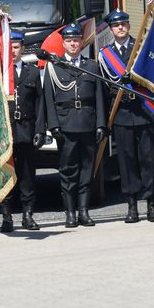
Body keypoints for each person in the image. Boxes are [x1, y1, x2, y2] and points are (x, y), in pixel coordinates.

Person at [98, 9, 154, 223]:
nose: (121, 28)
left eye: (124, 23)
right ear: (111, 29)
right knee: (127, 162)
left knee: (148, 160)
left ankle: (151, 205)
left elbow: (153, 77)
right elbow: (105, 89)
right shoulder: (105, 55)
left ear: (129, 26)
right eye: (116, 25)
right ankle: (132, 206)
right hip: (122, 115)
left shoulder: (141, 49)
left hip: (144, 112)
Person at [42, 24, 105, 228]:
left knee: (87, 170)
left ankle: (84, 212)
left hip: (88, 123)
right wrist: (54, 125)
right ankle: (70, 213)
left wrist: (101, 124)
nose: (73, 44)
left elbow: (99, 98)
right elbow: (48, 99)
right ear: (64, 43)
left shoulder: (92, 66)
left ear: (81, 42)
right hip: (66, 125)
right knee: (68, 171)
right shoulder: (55, 66)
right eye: (69, 41)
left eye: (76, 40)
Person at [3, 30, 45, 232]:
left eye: (16, 47)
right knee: (6, 174)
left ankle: (28, 215)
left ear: (23, 49)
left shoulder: (32, 72)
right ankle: (6, 216)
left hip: (26, 129)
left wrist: (40, 129)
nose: (13, 51)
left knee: (27, 175)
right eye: (9, 47)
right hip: (5, 132)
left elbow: (40, 103)